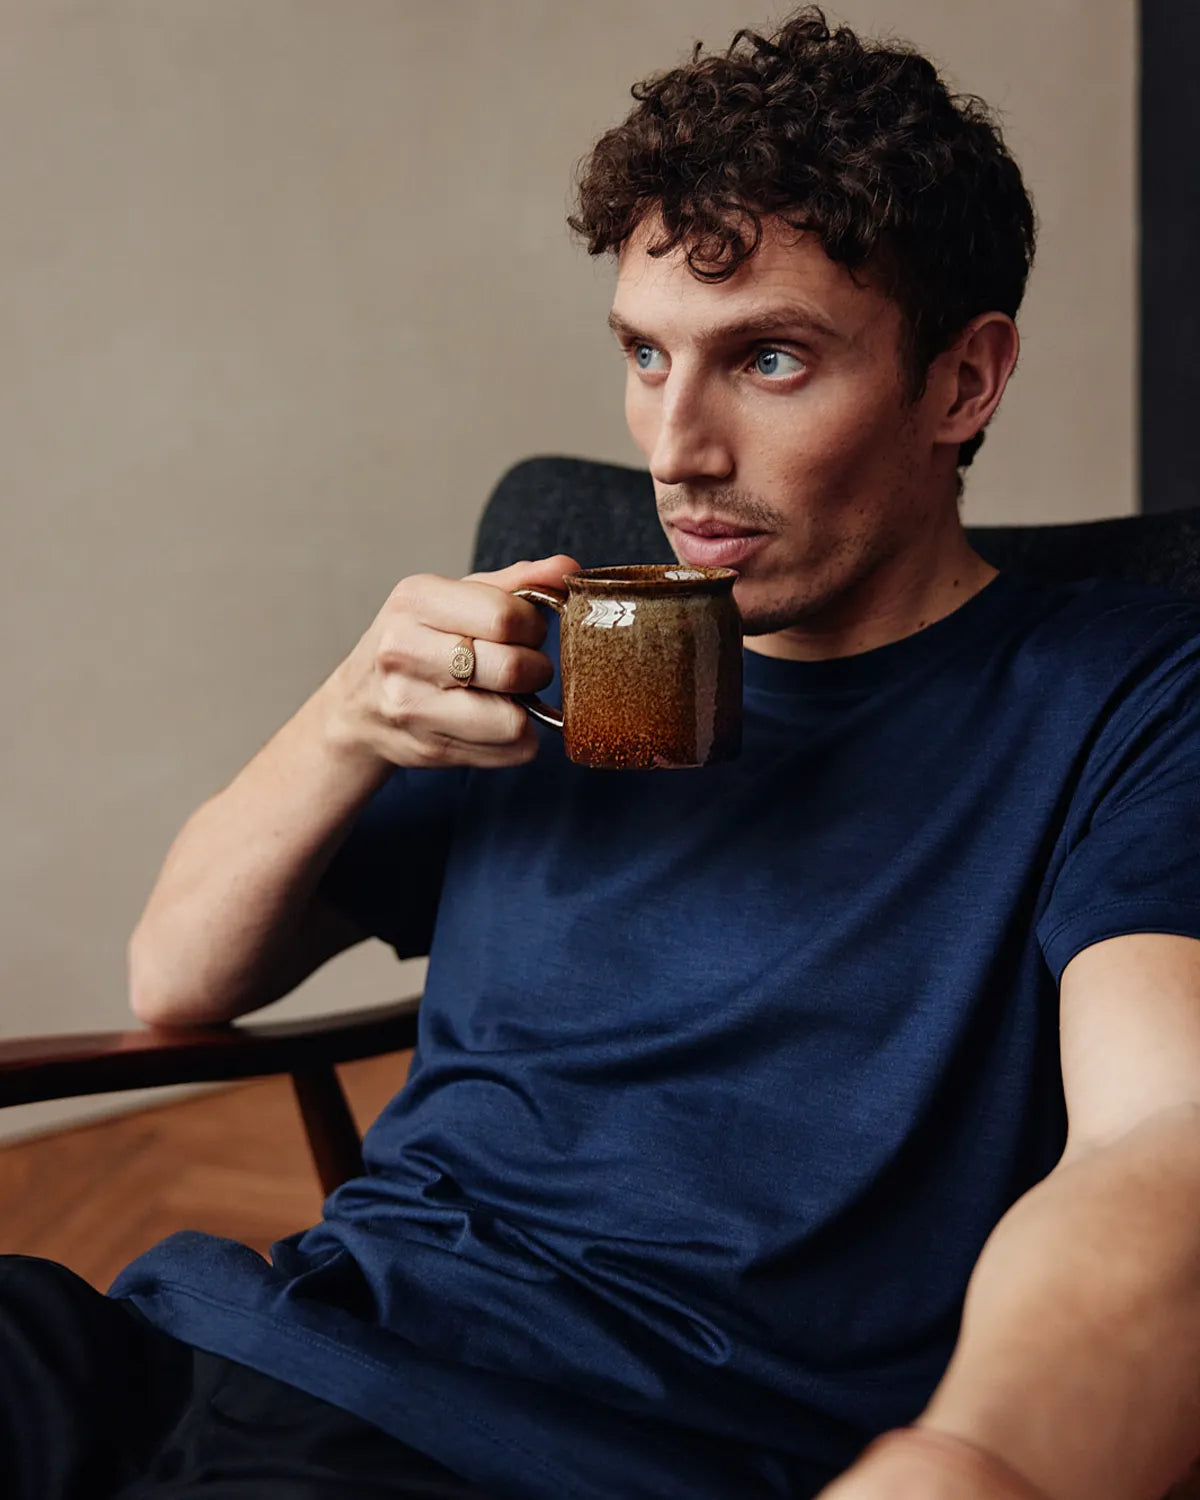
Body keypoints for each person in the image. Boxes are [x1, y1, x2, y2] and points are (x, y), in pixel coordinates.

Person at [5, 8, 1200, 1498]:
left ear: (962, 382)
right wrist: (339, 726)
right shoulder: (560, 661)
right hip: (219, 1338)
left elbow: (1169, 1140)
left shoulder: (1129, 697)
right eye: (645, 353)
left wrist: (981, 1459)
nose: (674, 447)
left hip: (550, 1451)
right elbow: (175, 981)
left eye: (766, 359)